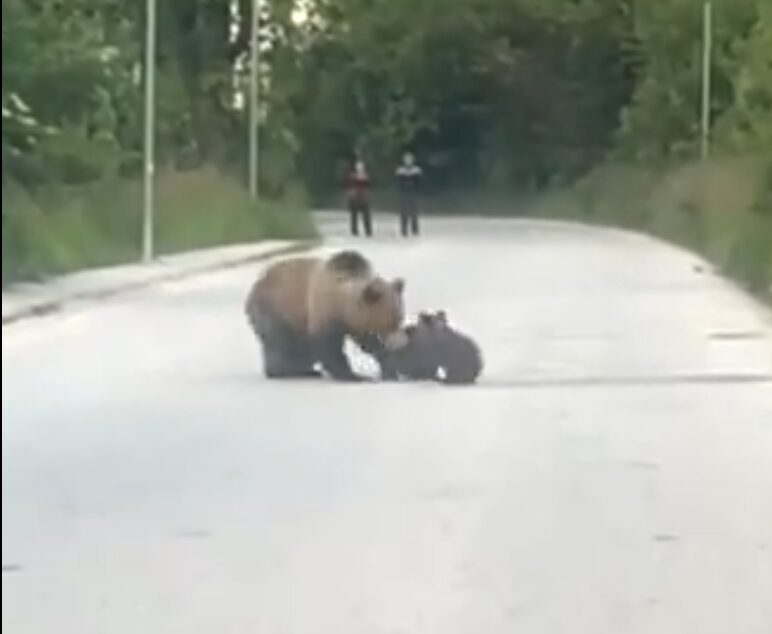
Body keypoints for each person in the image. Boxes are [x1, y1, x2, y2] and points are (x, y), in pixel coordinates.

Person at [395, 152, 423, 237]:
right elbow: (398, 182)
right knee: (404, 212)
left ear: (412, 160)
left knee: (414, 212)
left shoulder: (416, 170)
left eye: (410, 159)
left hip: (413, 192)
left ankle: (415, 230)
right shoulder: (400, 170)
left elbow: (419, 183)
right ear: (404, 161)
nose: (408, 161)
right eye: (406, 159)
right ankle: (404, 230)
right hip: (404, 193)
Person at [345, 158, 373, 237]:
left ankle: (368, 230)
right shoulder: (352, 175)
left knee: (366, 214)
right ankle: (354, 230)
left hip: (364, 196)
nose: (360, 168)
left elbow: (370, 184)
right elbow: (349, 184)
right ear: (356, 167)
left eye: (361, 166)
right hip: (355, 197)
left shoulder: (366, 175)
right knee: (354, 215)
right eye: (358, 166)